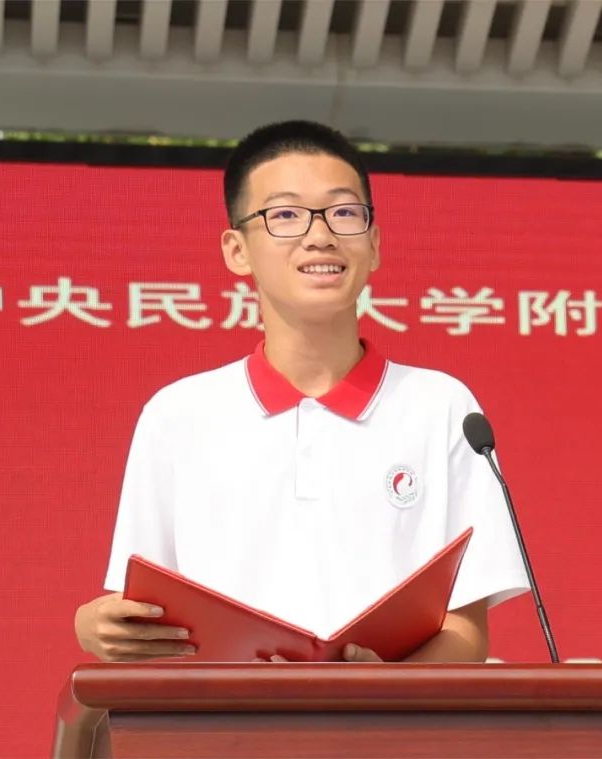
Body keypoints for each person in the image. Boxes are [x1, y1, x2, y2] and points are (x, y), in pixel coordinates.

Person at [74, 120, 529, 663]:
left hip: (390, 718)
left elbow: (466, 632)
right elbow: (147, 614)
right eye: (286, 215)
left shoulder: (442, 408)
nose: (320, 236)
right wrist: (98, 627)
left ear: (374, 244)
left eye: (343, 213)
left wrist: (381, 693)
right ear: (237, 250)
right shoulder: (177, 416)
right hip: (221, 716)